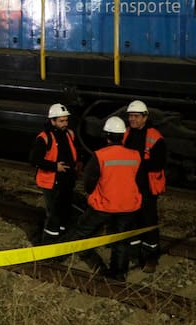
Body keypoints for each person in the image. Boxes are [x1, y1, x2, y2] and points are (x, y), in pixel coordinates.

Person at [67, 116, 141, 281]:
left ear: (106, 135)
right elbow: (138, 179)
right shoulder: (135, 155)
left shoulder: (100, 156)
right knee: (121, 240)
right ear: (123, 136)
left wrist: (94, 193)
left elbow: (89, 181)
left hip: (104, 205)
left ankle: (58, 257)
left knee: (82, 230)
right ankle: (119, 274)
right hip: (128, 205)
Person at [123, 99, 167, 272]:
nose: (132, 119)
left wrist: (136, 163)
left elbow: (158, 163)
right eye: (130, 116)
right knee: (132, 222)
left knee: (148, 222)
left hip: (147, 188)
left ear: (145, 117)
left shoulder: (155, 137)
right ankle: (135, 255)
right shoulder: (126, 133)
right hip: (130, 187)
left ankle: (151, 258)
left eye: (135, 116)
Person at [28, 103, 82, 244]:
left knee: (65, 211)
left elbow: (74, 152)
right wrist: (54, 166)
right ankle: (48, 243)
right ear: (52, 121)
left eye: (66, 120)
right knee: (54, 215)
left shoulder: (69, 134)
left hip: (66, 180)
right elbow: (34, 160)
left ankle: (61, 236)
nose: (65, 123)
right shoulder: (44, 138)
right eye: (61, 121)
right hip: (51, 182)